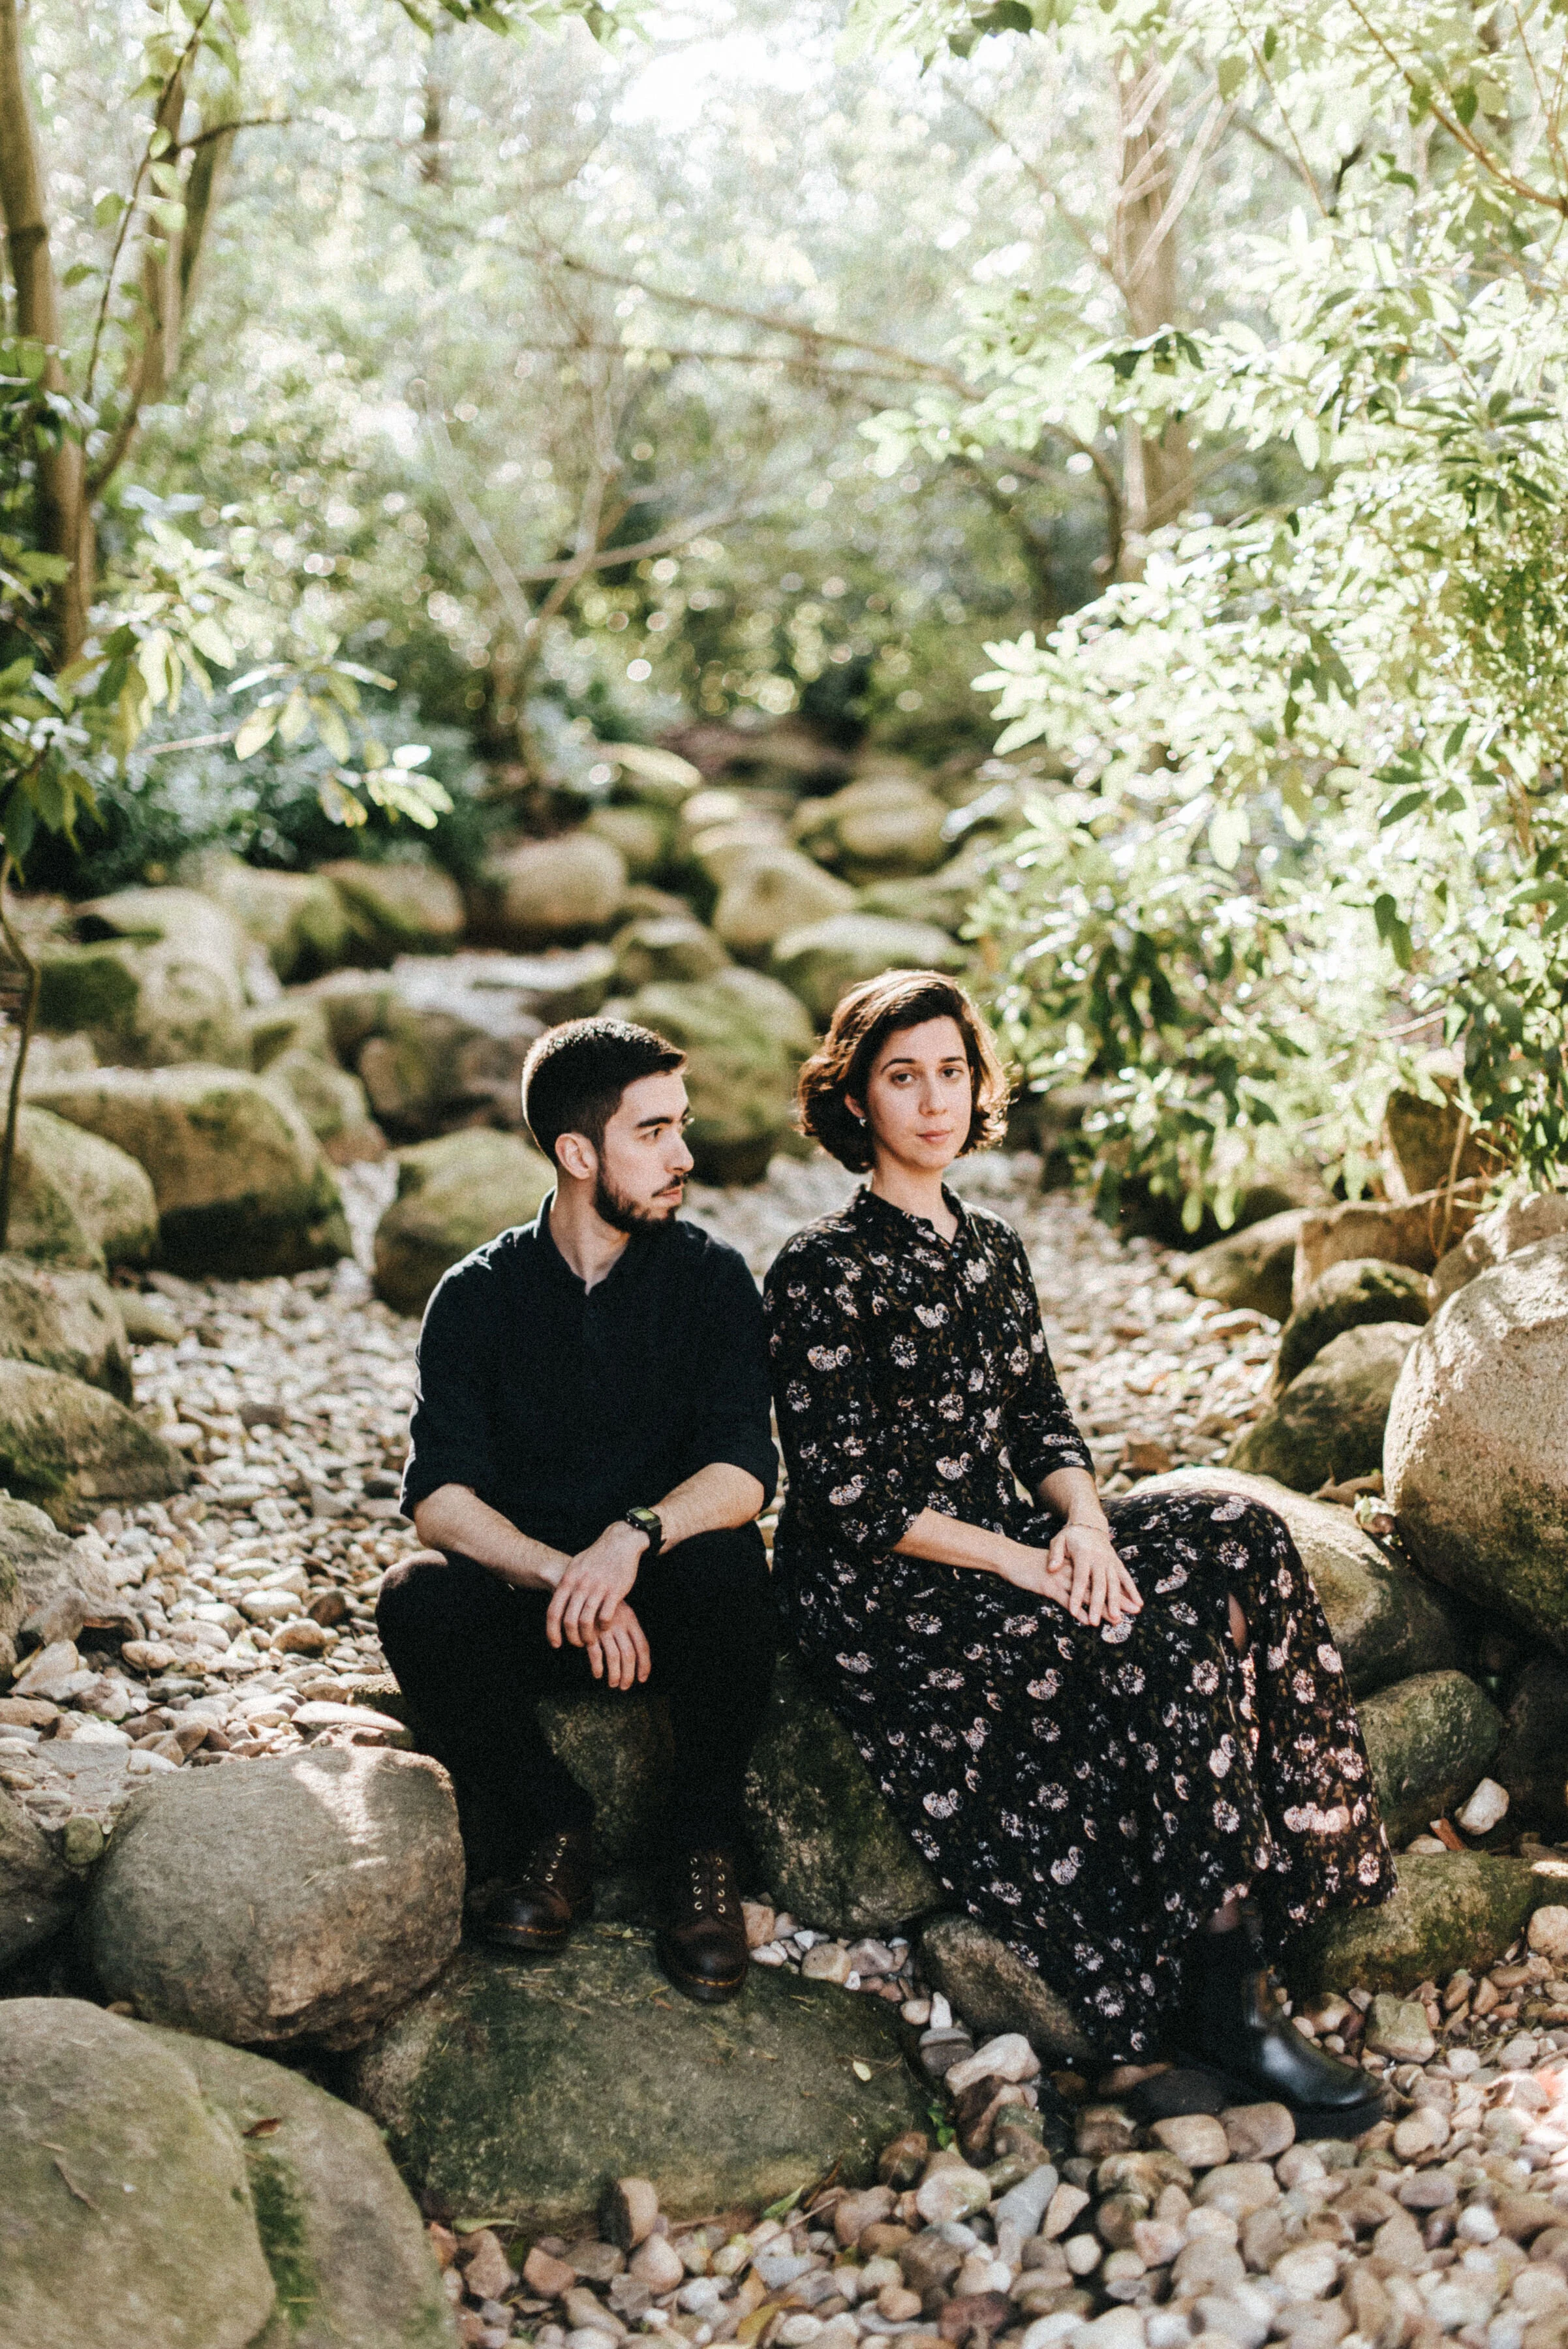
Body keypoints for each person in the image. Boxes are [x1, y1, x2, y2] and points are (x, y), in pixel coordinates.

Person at [763, 970, 1395, 2116]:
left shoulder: (992, 1247)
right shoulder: (821, 1267)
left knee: (1238, 1529)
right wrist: (1029, 1567)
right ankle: (1222, 1995)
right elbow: (847, 1494)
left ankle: (1284, 1878)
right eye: (901, 1077)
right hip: (882, 1588)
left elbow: (1040, 1420)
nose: (933, 1099)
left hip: (1010, 1533)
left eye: (951, 1071)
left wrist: (1087, 1527)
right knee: (1160, 1643)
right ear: (854, 1102)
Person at [377, 1017, 778, 2005]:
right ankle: (553, 1828)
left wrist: (628, 1542)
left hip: (673, 1602)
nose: (684, 1155)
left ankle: (701, 1852)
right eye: (652, 1133)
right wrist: (568, 1577)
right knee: (414, 1599)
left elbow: (744, 1471)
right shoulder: (475, 1296)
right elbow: (438, 1499)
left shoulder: (712, 1280)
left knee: (733, 1566)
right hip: (540, 1608)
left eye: (681, 1125)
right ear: (575, 1151)